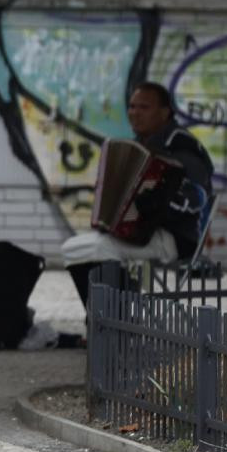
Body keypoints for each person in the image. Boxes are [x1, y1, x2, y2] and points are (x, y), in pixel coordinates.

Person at [63, 82, 214, 308]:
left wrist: (158, 203)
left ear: (165, 112)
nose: (134, 113)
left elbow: (197, 198)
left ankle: (115, 323)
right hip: (145, 232)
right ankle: (109, 320)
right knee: (74, 247)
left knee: (99, 248)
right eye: (132, 107)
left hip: (177, 237)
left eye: (144, 107)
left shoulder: (183, 147)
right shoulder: (140, 146)